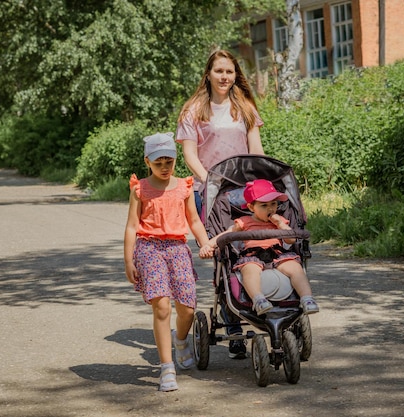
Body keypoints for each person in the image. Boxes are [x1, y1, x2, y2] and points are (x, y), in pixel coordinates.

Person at [176, 49, 264, 359]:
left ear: (235, 74)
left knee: (254, 248)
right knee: (224, 254)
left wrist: (264, 183)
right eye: (218, 71)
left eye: (229, 71)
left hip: (245, 194)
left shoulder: (245, 108)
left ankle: (256, 305)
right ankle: (233, 326)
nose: (224, 76)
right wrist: (211, 181)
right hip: (211, 192)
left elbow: (256, 151)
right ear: (208, 74)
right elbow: (189, 154)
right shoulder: (194, 110)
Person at [124, 132, 211, 392]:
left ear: (175, 161)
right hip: (148, 247)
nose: (164, 167)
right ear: (147, 162)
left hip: (177, 247)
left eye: (169, 162)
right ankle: (166, 367)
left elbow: (194, 221)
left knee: (187, 307)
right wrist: (128, 260)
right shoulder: (140, 189)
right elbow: (131, 226)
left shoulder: (184, 187)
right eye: (158, 162)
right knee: (161, 306)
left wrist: (205, 242)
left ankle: (181, 340)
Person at [200, 179, 320, 315]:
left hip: (278, 254)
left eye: (274, 204)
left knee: (296, 268)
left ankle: (307, 298)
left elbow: (291, 239)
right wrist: (209, 245)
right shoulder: (244, 222)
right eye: (264, 205)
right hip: (253, 255)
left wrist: (280, 224)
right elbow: (227, 234)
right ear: (251, 208)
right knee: (249, 271)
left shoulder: (280, 221)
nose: (270, 209)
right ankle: (258, 299)